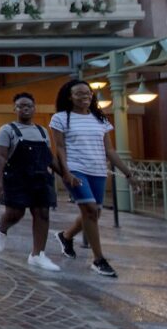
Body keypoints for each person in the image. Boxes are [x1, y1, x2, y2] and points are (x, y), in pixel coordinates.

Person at [49, 80, 139, 278]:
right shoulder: (61, 118)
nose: (85, 97)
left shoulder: (100, 119)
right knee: (90, 209)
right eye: (79, 94)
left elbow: (110, 150)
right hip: (75, 169)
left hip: (97, 171)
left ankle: (66, 236)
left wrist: (128, 173)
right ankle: (98, 260)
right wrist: (66, 171)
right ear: (69, 97)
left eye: (88, 93)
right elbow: (60, 148)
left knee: (94, 213)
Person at [0, 92, 61, 272]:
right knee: (16, 213)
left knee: (42, 213)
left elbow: (48, 157)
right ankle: (2, 229)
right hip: (16, 178)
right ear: (15, 109)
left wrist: (65, 175)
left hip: (40, 178)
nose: (25, 108)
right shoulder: (7, 130)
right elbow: (1, 157)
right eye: (21, 106)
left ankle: (38, 255)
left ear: (34, 108)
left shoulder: (42, 131)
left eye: (28, 105)